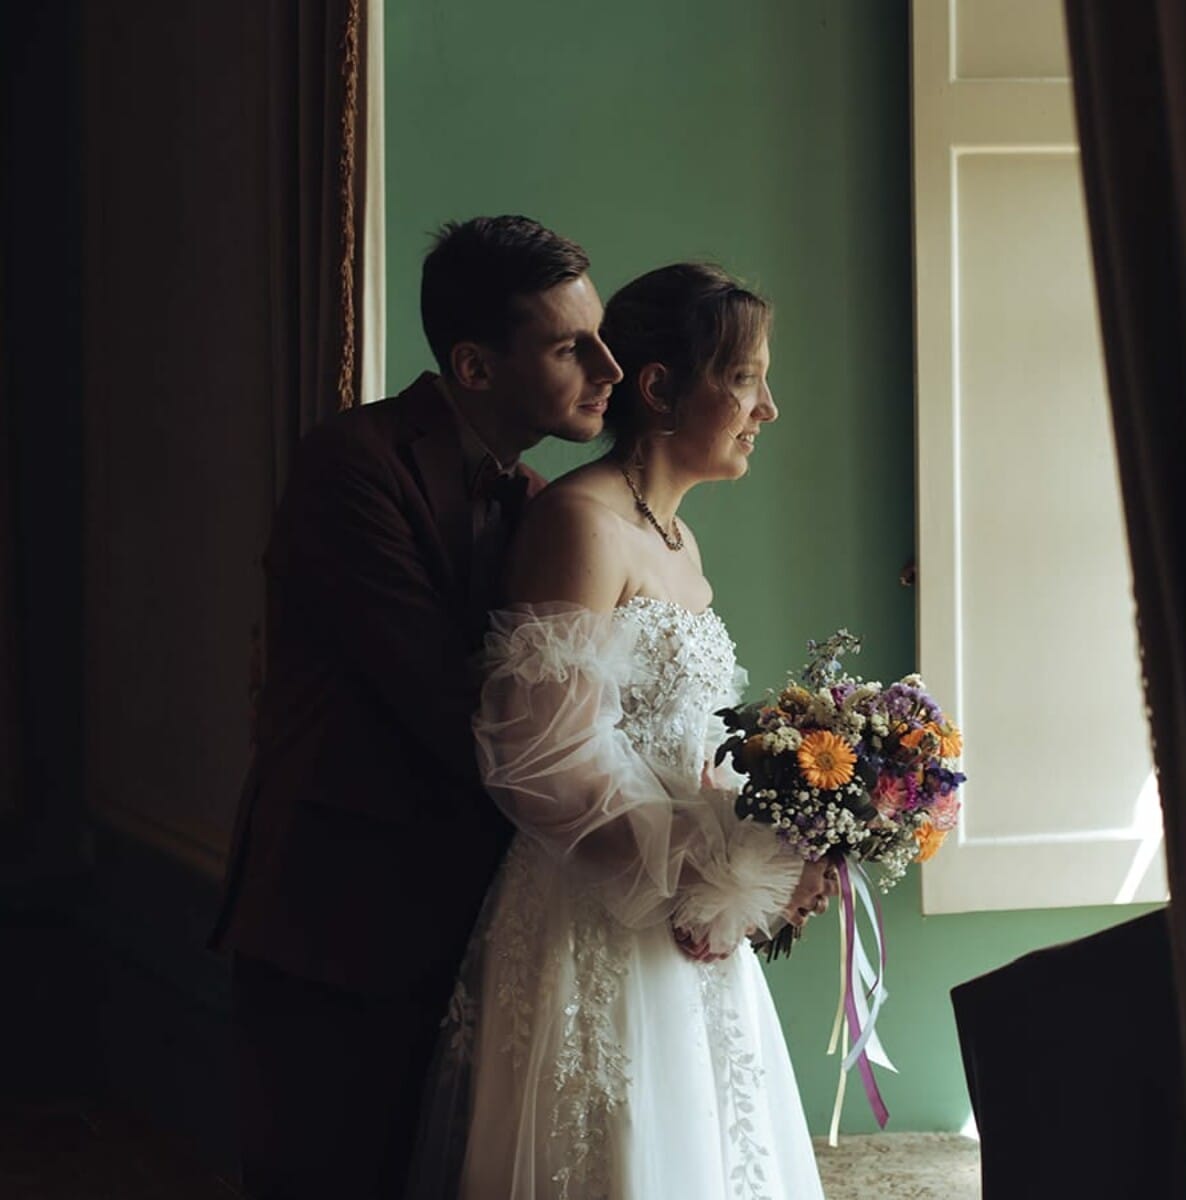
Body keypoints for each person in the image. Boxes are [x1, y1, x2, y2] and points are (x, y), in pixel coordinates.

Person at [208, 216, 624, 1199]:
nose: (609, 364)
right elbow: (445, 702)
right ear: (475, 367)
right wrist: (631, 834)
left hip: (472, 920)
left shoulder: (538, 500)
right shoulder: (351, 465)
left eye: (601, 335)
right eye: (572, 346)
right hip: (336, 922)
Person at [408, 263, 832, 1199]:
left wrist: (775, 839)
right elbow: (540, 754)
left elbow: (679, 748)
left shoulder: (680, 542)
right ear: (660, 387)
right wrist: (694, 878)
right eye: (747, 378)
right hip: (595, 913)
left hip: (680, 910)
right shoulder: (579, 522)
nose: (768, 408)